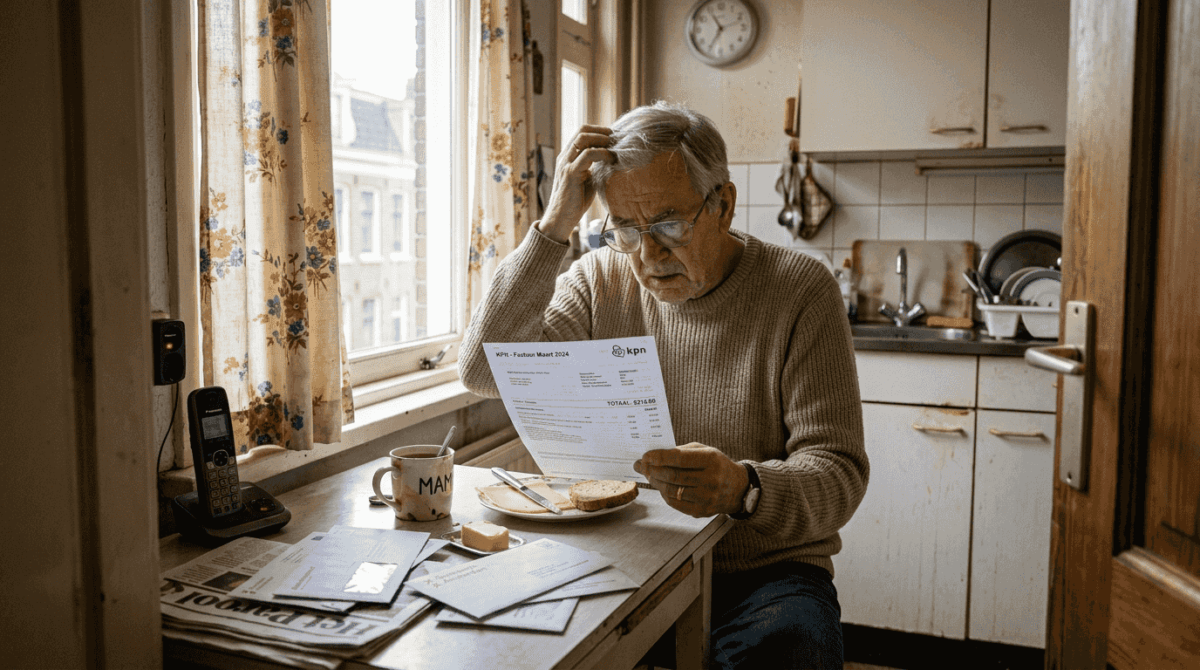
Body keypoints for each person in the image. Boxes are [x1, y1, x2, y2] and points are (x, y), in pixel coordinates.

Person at [458, 101, 868, 670]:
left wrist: (743, 487)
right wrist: (554, 227)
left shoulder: (799, 289)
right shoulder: (601, 278)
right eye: (626, 229)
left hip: (762, 573)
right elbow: (482, 368)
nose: (649, 256)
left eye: (669, 225)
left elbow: (840, 472)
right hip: (623, 553)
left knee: (788, 650)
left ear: (722, 204)